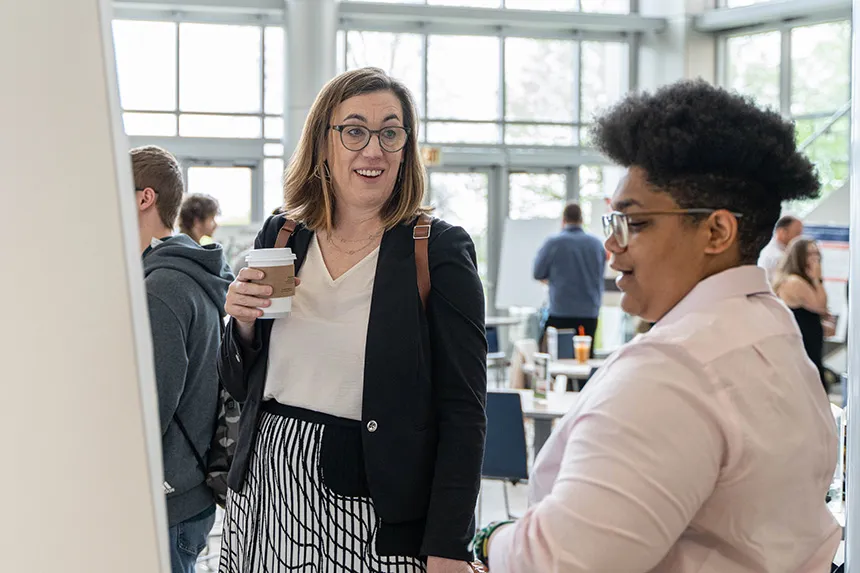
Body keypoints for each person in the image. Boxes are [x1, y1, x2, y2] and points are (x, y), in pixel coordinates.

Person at [476, 80, 840, 572]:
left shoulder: (672, 371)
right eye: (612, 223)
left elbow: (558, 563)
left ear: (716, 231)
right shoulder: (772, 327)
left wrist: (490, 539)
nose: (612, 246)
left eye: (635, 223)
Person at [217, 68, 487, 573]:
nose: (374, 148)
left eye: (391, 131)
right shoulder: (283, 235)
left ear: (405, 148)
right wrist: (243, 325)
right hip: (264, 484)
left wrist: (450, 546)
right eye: (355, 130)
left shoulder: (437, 250)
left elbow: (464, 412)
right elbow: (238, 378)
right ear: (324, 143)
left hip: (371, 500)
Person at [131, 146, 234, 573]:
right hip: (183, 494)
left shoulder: (162, 287)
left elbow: (148, 410)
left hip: (167, 503)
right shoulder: (183, 274)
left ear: (144, 198)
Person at [533, 202, 606, 356]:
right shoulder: (597, 244)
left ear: (563, 220)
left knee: (556, 358)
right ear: (582, 219)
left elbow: (538, 273)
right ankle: (583, 382)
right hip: (589, 312)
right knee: (584, 359)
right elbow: (599, 274)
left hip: (561, 311)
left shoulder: (554, 243)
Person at [774, 238, 835, 389]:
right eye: (810, 254)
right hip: (802, 341)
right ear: (799, 256)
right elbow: (821, 306)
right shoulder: (794, 281)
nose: (815, 258)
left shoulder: (799, 280)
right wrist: (817, 279)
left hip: (809, 338)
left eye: (817, 253)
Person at [758, 215, 803, 283]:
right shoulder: (777, 256)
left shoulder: (781, 252)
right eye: (797, 233)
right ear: (781, 232)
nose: (800, 238)